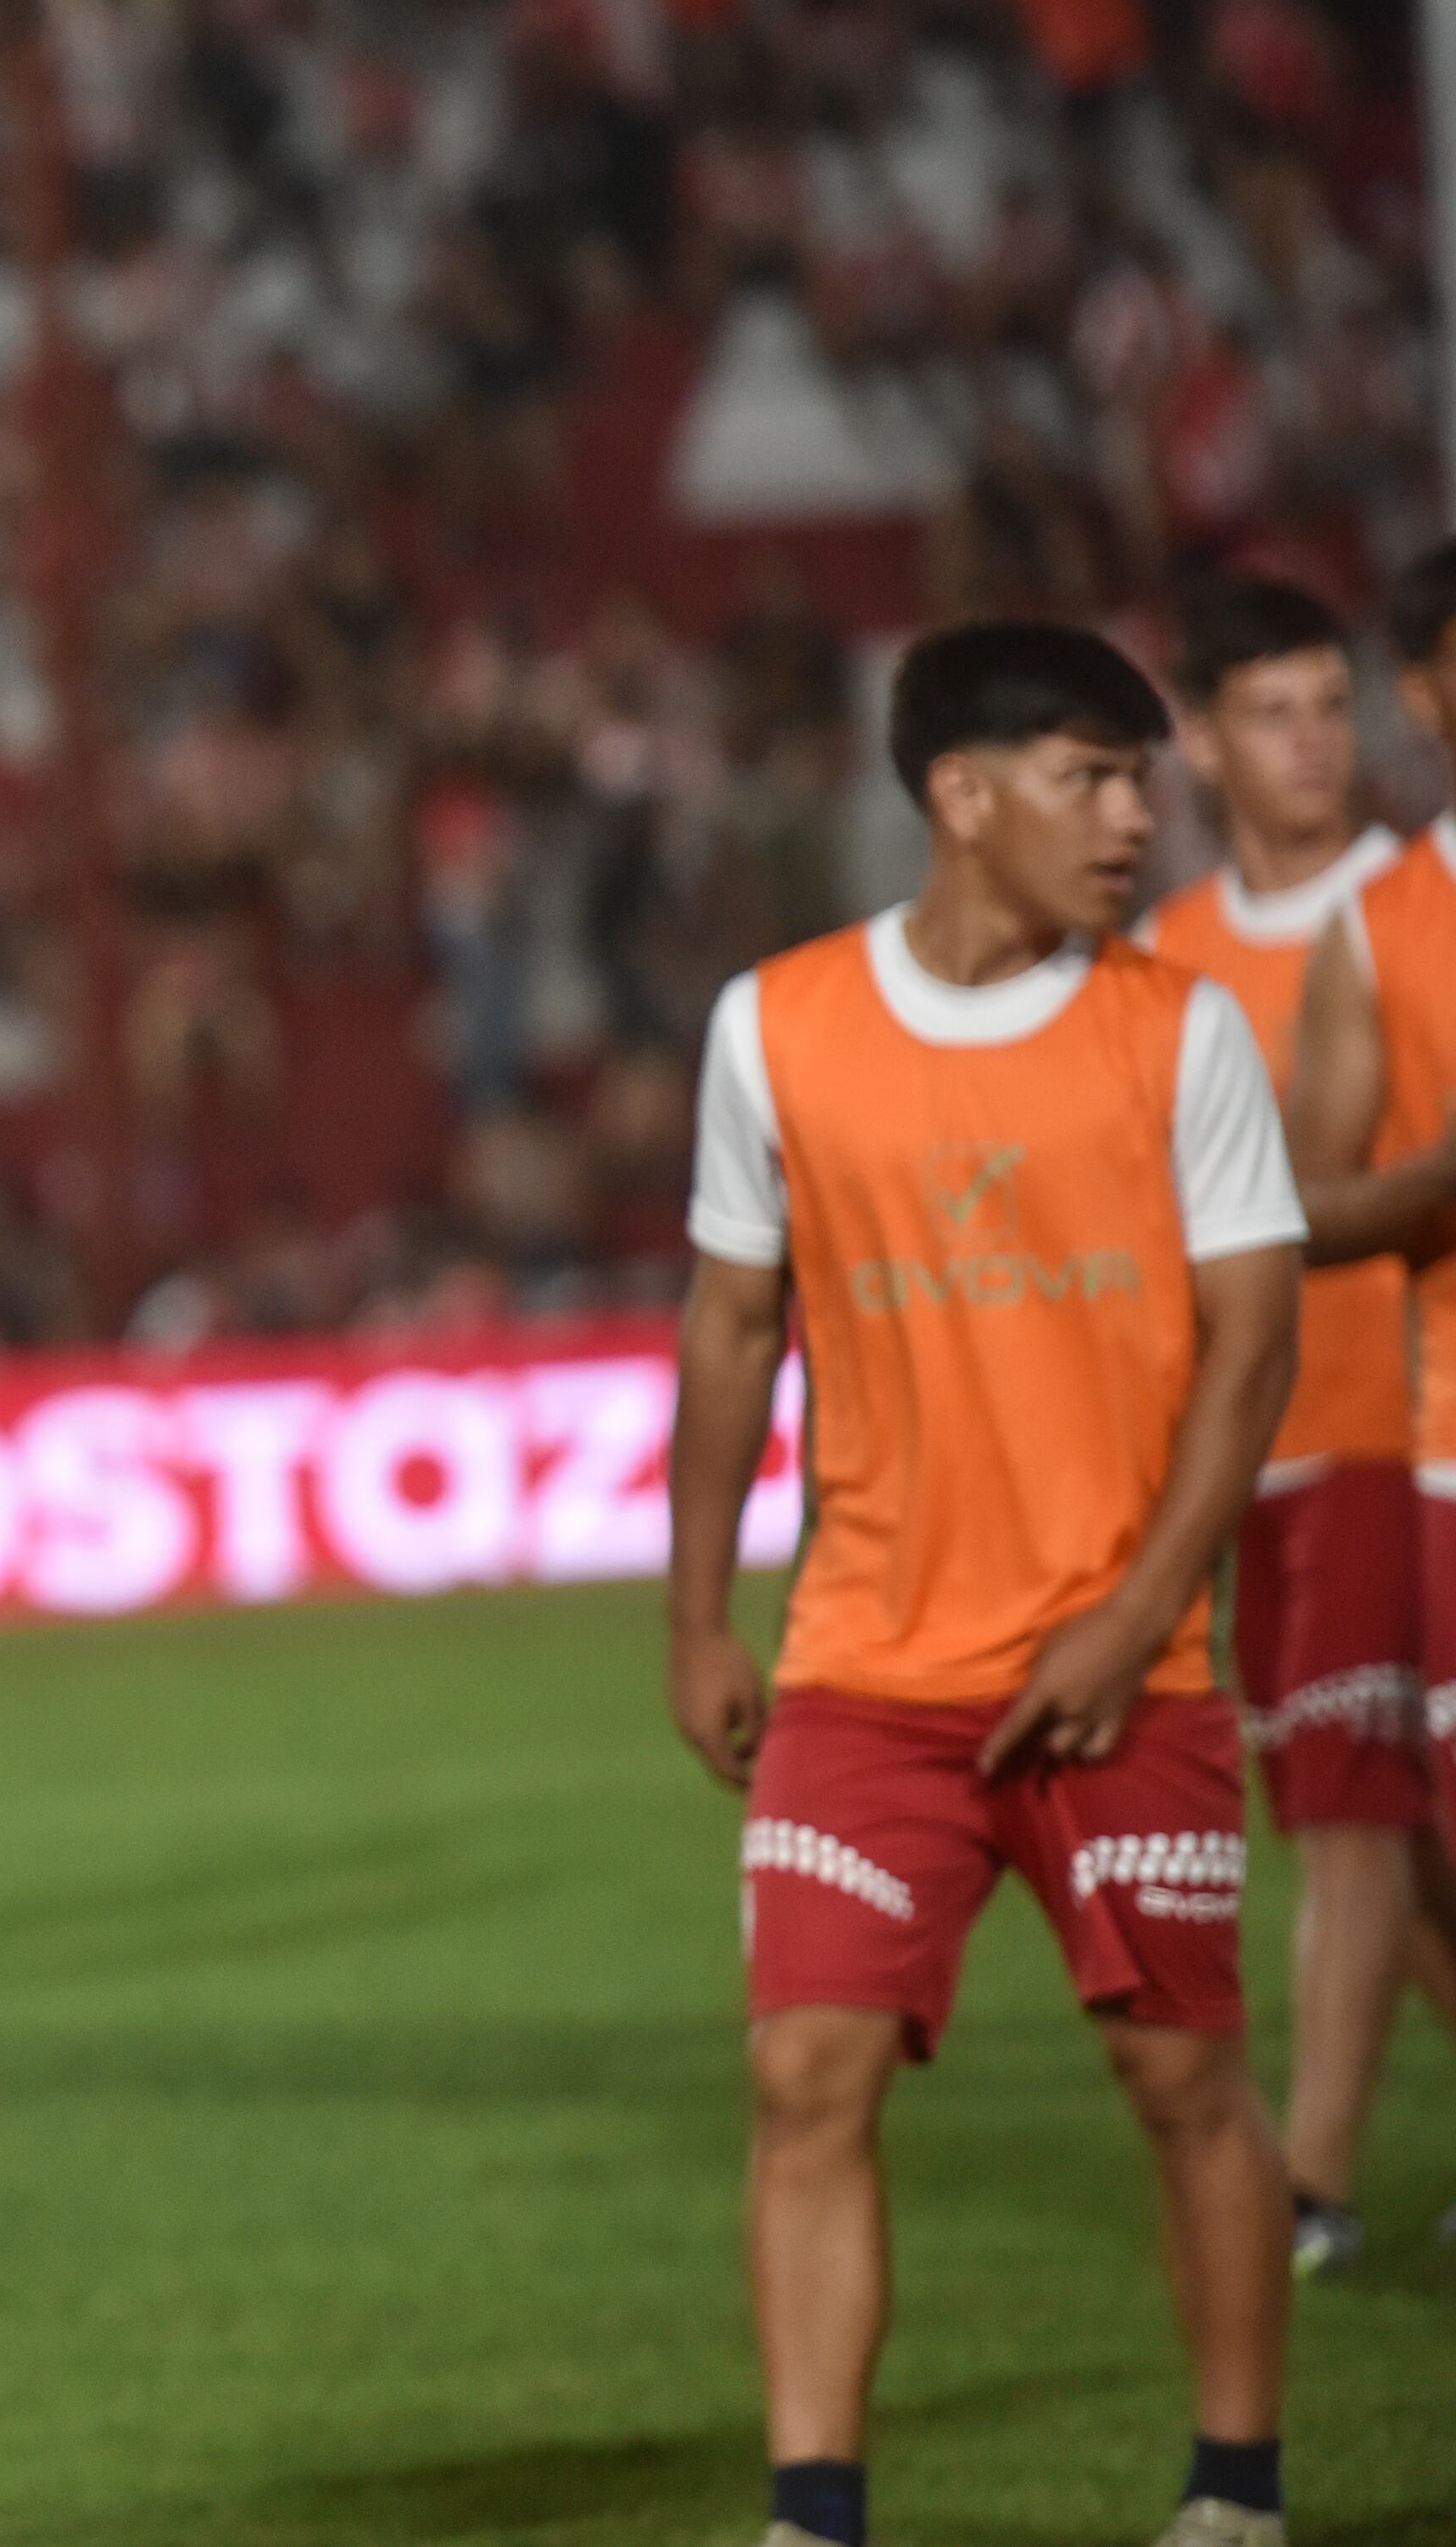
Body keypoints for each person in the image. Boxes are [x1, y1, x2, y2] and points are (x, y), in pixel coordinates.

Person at [666, 623, 1303, 2547]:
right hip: (865, 1663)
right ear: (962, 794)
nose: (1135, 816)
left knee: (1181, 2080)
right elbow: (725, 1330)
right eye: (1089, 776)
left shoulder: (1179, 1030)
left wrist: (1136, 1610)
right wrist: (698, 1611)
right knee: (805, 2070)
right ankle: (814, 2509)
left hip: (1127, 1661)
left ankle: (1233, 2491)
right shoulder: (771, 1024)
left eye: (1140, 779)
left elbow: (1249, 1349)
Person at [1137, 581, 1456, 2281]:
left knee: (1350, 1803)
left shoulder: (1414, 903)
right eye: (1270, 711)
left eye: (1330, 706)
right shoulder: (1164, 955)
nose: (1311, 742)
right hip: (1254, 1435)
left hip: (1385, 1417)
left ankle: (1309, 2174)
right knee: (1374, 1814)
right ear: (1197, 734)